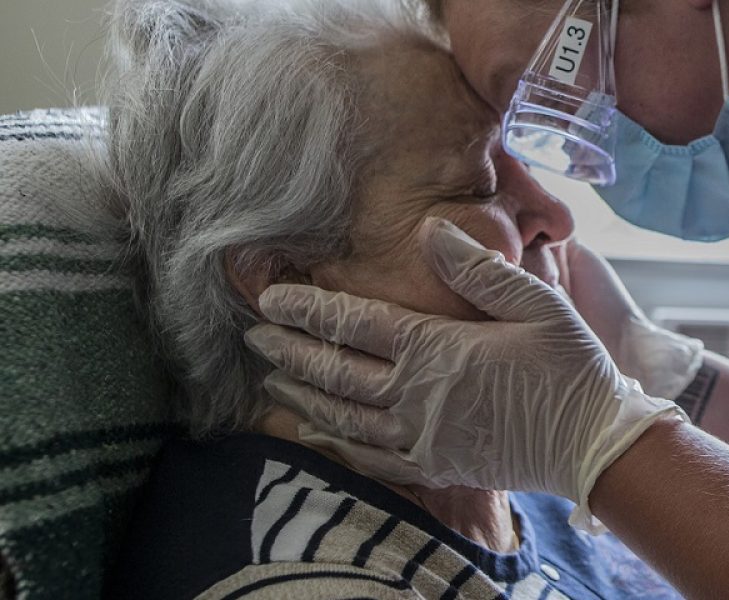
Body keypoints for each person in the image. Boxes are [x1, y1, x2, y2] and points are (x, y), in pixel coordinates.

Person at [247, 0, 729, 598]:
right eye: (480, 180)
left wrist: (597, 438)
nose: (566, 202)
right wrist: (664, 376)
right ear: (277, 275)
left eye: (539, 94)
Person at [92, 0, 686, 597]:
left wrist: (634, 385)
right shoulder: (297, 578)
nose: (557, 218)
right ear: (286, 280)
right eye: (479, 186)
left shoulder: (512, 464)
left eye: (527, 165)